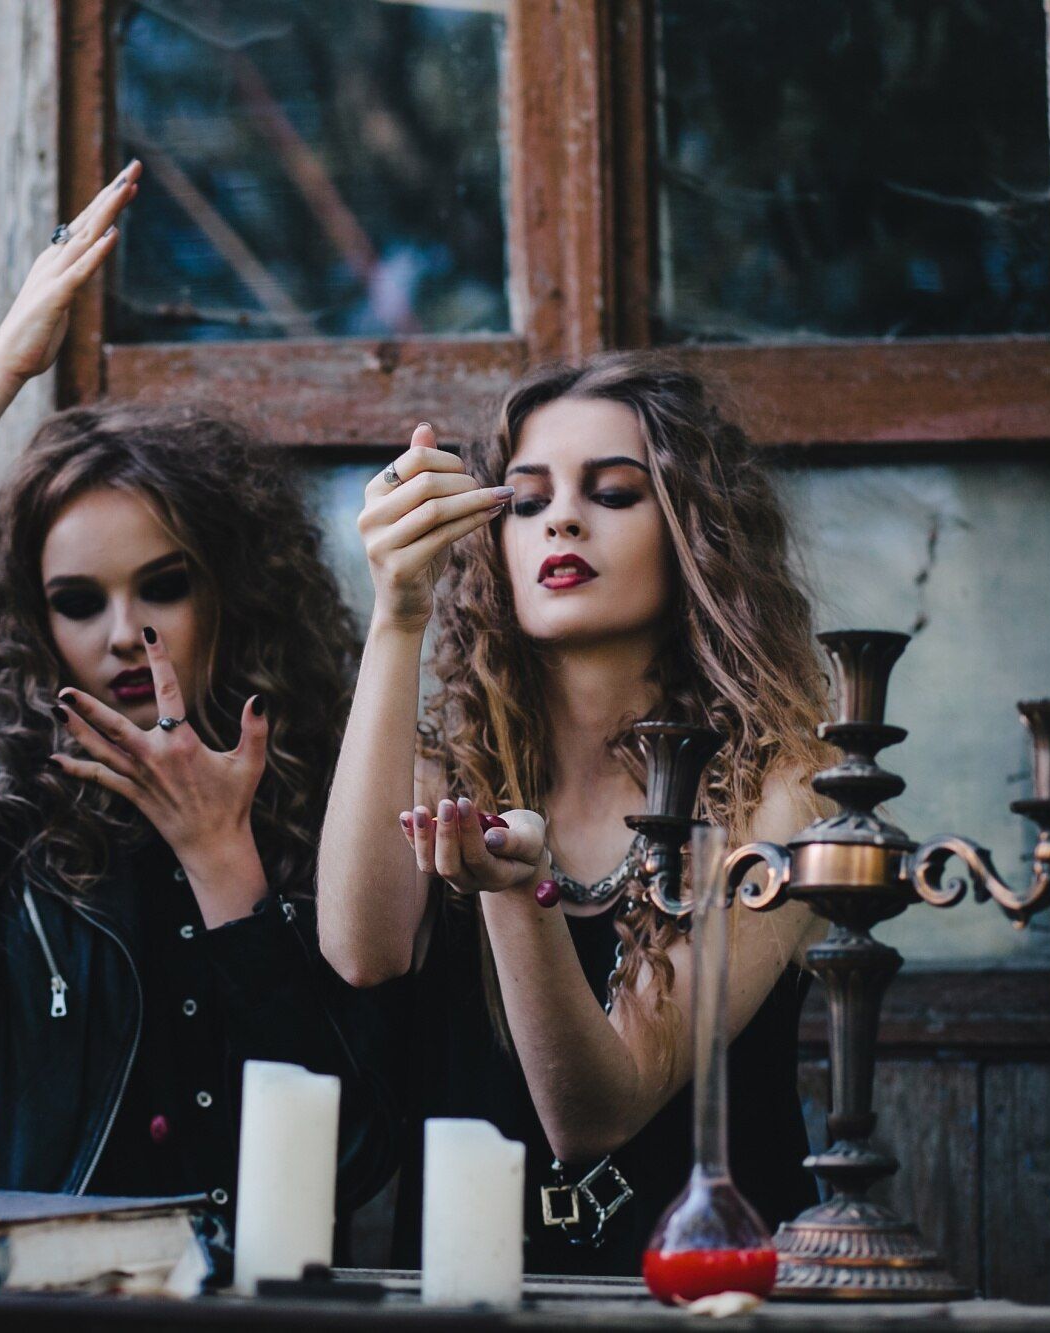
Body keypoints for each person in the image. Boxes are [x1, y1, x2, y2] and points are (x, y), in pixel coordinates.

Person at [0, 162, 400, 1225]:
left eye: (163, 585)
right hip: (5, 1289)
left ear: (233, 593)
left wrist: (224, 864)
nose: (123, 633)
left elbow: (349, 1154)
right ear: (39, 626)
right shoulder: (7, 815)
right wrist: (4, 364)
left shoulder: (337, 811)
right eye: (77, 601)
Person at [318, 353, 831, 1272]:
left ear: (695, 532)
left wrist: (516, 891)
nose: (560, 518)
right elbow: (362, 951)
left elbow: (598, 1111)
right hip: (470, 1298)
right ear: (491, 541)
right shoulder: (448, 763)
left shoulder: (780, 782)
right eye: (525, 501)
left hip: (711, 1296)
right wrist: (397, 612)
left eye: (614, 493)